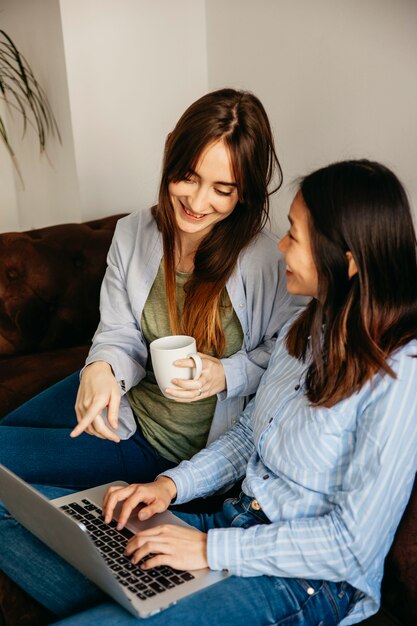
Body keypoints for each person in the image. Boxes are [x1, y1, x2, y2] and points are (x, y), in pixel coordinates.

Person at [1, 158, 415, 626]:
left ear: (348, 261)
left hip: (300, 580)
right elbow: (246, 438)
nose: (281, 247)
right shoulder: (306, 328)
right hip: (224, 524)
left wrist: (207, 548)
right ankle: (135, 599)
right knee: (17, 505)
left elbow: (352, 546)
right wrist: (169, 486)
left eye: (294, 235)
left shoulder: (401, 377)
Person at [0, 88, 302, 490]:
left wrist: (227, 375)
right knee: (8, 428)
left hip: (162, 446)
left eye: (221, 189)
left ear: (244, 190)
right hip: (124, 401)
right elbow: (118, 332)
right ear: (169, 154)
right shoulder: (132, 233)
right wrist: (100, 369)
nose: (196, 201)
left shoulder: (270, 261)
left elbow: (291, 358)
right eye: (189, 177)